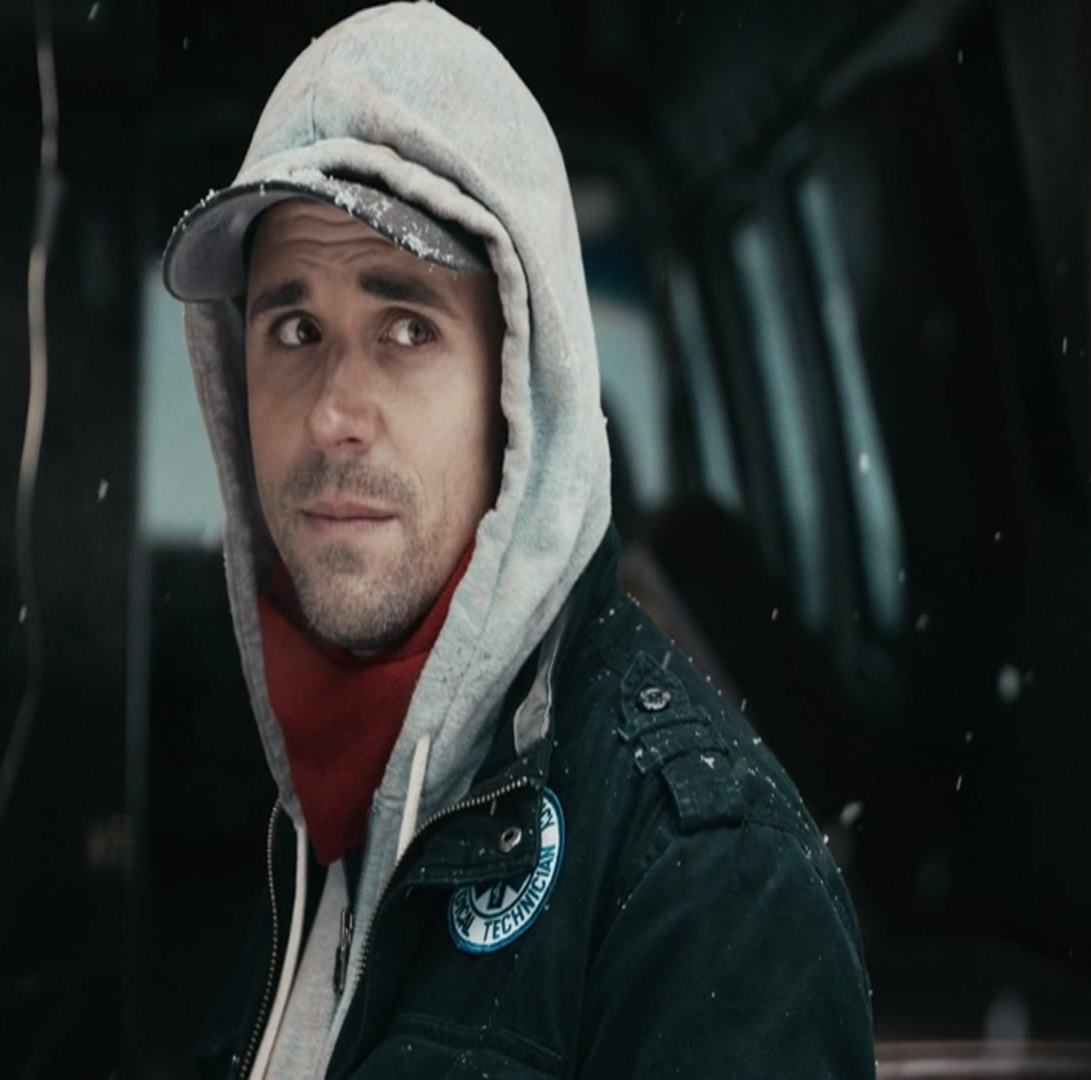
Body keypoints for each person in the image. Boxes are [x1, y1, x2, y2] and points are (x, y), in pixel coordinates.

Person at [160, 4, 873, 1076]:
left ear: (520, 388)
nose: (332, 415)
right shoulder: (315, 813)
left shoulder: (709, 881)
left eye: (407, 328)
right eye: (295, 330)